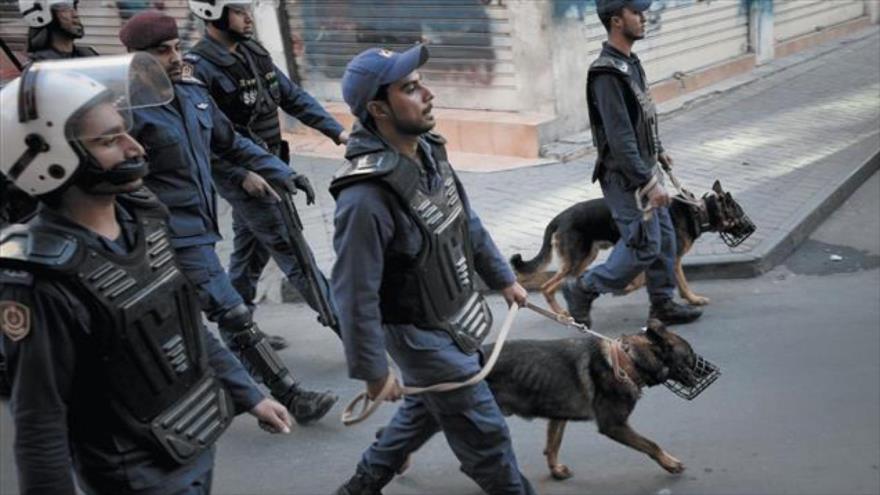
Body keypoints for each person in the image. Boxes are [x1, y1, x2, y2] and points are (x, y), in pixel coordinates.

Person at [0, 54, 291, 495]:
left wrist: (249, 395)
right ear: (52, 158)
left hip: (193, 442)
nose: (135, 148)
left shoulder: (144, 218)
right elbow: (40, 421)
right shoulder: (39, 279)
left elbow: (185, 322)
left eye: (126, 132)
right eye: (110, 140)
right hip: (134, 477)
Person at [331, 45, 535, 495]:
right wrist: (373, 372)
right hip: (418, 335)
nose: (429, 94)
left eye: (421, 83)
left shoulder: (428, 151)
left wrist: (504, 278)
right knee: (486, 434)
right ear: (378, 109)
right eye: (410, 88)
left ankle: (362, 484)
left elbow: (466, 221)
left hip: (455, 318)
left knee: (425, 408)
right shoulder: (364, 198)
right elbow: (353, 293)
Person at [118, 11, 337, 424]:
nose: (175, 56)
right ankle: (289, 396)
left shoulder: (190, 93)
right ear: (136, 59)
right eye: (162, 51)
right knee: (229, 310)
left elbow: (231, 142)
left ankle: (191, 392)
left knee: (189, 320)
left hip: (199, 228)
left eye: (176, 47)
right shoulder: (127, 113)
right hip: (165, 232)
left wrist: (283, 173)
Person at [184, 0, 347, 333]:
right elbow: (200, 139)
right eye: (239, 10)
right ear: (212, 13)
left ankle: (240, 334)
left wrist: (339, 132)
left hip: (271, 164)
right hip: (244, 177)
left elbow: (292, 97)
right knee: (294, 252)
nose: (248, 17)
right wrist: (241, 174)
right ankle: (353, 335)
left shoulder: (252, 53)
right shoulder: (199, 68)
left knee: (249, 254)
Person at [561, 0, 702, 328]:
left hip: (644, 167)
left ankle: (662, 304)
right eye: (635, 13)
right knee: (643, 246)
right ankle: (583, 288)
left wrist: (659, 151)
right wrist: (647, 181)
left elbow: (643, 116)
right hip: (626, 177)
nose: (643, 17)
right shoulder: (606, 74)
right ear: (616, 21)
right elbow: (621, 137)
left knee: (665, 239)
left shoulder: (629, 63)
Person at [18, 0, 97, 62]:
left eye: (74, 7)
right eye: (65, 8)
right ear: (41, 15)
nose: (75, 14)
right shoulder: (36, 66)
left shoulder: (88, 57)